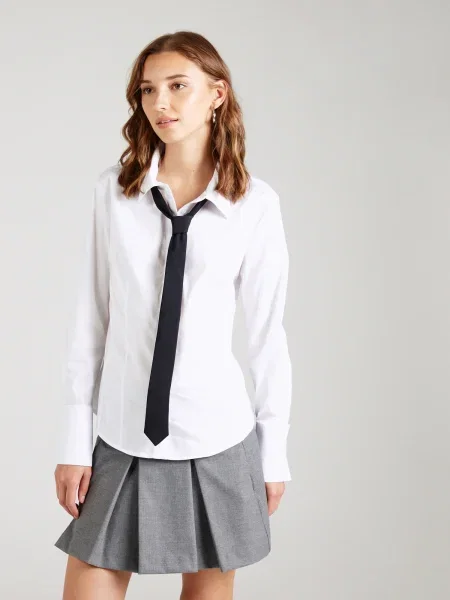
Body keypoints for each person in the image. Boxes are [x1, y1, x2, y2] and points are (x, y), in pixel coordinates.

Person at [53, 30, 292, 600]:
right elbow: (91, 320)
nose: (160, 103)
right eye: (147, 90)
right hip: (124, 434)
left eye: (178, 86)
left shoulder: (254, 205)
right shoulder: (115, 194)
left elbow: (267, 336)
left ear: (217, 94)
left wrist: (274, 452)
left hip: (218, 436)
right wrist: (73, 442)